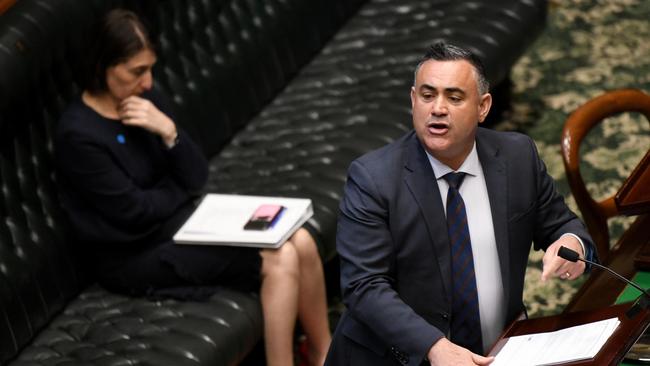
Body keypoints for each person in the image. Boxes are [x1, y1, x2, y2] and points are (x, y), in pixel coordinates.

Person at [54, 9, 330, 366]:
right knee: (280, 257)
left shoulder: (147, 102)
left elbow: (196, 175)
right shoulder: (78, 135)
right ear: (102, 66)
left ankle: (324, 353)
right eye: (137, 71)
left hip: (180, 222)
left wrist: (170, 132)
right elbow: (133, 214)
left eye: (150, 68)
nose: (148, 82)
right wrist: (178, 192)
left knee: (302, 239)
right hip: (133, 253)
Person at [324, 42, 597, 366]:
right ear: (413, 100)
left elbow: (561, 224)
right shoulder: (373, 179)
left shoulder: (516, 156)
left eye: (454, 98)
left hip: (497, 350)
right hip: (397, 358)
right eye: (427, 96)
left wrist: (571, 242)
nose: (437, 108)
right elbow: (363, 286)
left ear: (483, 107)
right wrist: (435, 347)